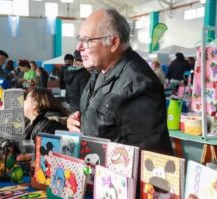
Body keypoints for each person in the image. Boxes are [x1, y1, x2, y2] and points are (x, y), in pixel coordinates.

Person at [67, 8, 173, 156]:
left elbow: (148, 158)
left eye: (87, 41)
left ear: (113, 42)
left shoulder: (138, 85)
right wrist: (77, 123)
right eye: (80, 40)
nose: (79, 48)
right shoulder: (100, 70)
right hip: (96, 168)